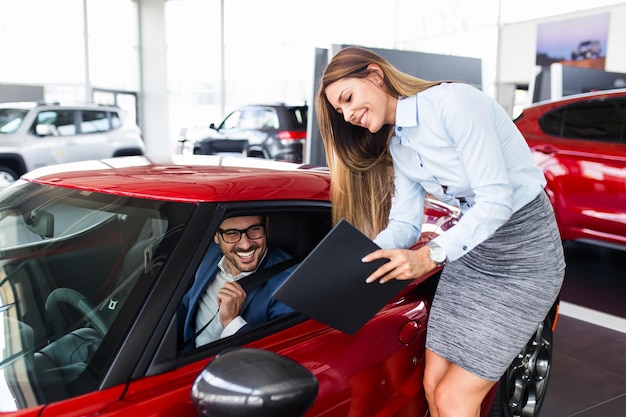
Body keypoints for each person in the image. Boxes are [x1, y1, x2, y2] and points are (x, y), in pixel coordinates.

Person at [315, 46, 565, 417]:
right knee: (431, 385)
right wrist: (358, 260)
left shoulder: (454, 103)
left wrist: (429, 255)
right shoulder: (399, 144)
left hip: (525, 256)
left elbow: (496, 200)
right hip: (473, 254)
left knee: (453, 398)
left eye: (348, 98)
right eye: (340, 111)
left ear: (375, 75)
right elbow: (404, 225)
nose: (349, 114)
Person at [178, 214, 295, 350]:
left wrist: (232, 323)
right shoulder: (208, 253)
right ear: (216, 235)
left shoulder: (290, 283)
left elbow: (283, 355)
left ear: (266, 227)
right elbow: (186, 305)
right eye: (232, 233)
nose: (245, 245)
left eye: (254, 229)